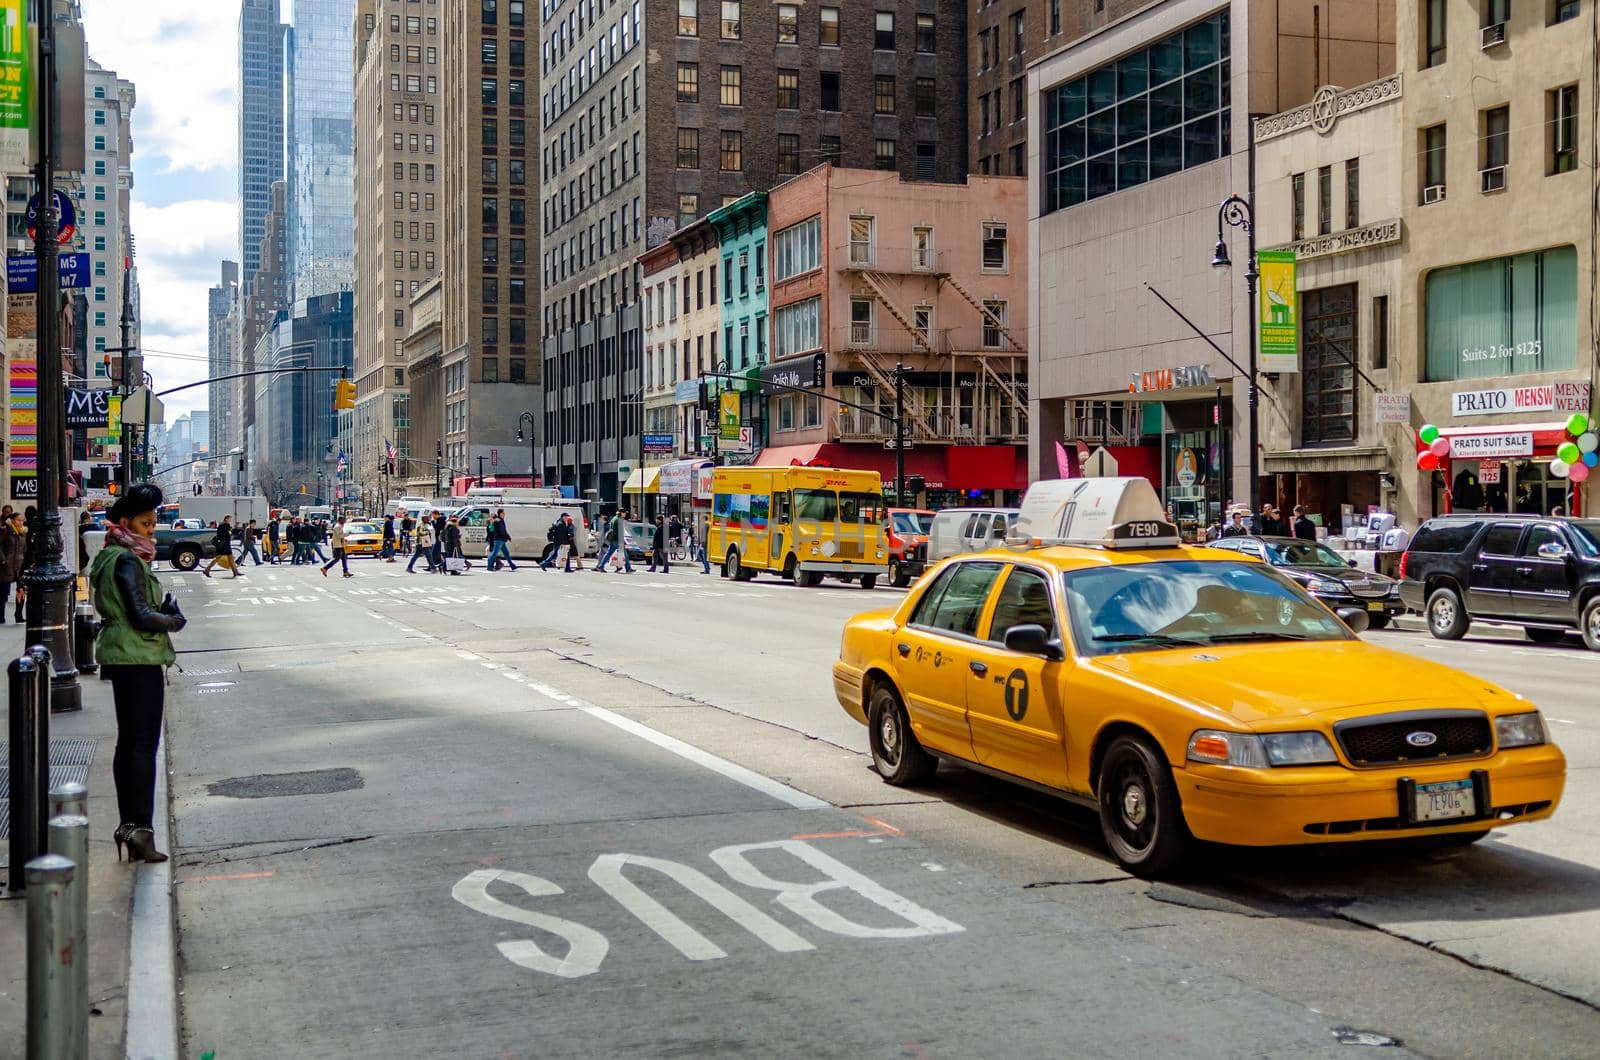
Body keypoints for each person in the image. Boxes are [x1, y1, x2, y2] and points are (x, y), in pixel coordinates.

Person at [90, 482, 186, 863]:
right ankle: (140, 830)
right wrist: (173, 619)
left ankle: (129, 827)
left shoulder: (111, 555)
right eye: (146, 524)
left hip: (121, 654)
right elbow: (140, 615)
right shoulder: (128, 560)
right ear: (126, 522)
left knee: (128, 742)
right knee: (144, 744)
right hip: (138, 656)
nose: (152, 530)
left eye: (153, 523)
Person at [0, 511, 25, 623]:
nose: (21, 522)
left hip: (19, 565)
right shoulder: (6, 531)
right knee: (3, 592)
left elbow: (25, 548)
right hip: (6, 566)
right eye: (18, 520)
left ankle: (19, 615)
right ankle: (1, 616)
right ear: (13, 520)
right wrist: (3, 560)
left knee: (21, 590)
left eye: (22, 520)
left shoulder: (23, 533)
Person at [595, 507, 634, 574]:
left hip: (613, 539)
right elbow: (620, 531)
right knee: (625, 554)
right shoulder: (619, 520)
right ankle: (628, 568)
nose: (625, 514)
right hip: (618, 540)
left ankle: (601, 566)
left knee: (608, 553)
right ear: (621, 513)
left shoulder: (614, 519)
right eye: (624, 513)